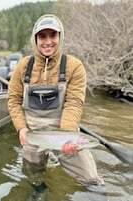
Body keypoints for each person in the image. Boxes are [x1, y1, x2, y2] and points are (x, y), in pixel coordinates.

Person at [7, 14, 104, 195]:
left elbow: (74, 103)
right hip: (33, 131)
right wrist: (21, 128)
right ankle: (39, 189)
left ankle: (96, 195)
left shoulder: (74, 66)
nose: (48, 41)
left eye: (53, 35)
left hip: (64, 130)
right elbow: (13, 100)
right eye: (42, 36)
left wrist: (68, 136)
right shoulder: (22, 66)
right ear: (35, 39)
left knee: (91, 178)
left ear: (60, 37)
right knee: (33, 174)